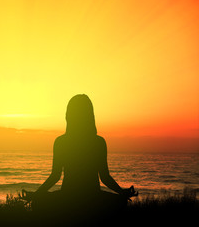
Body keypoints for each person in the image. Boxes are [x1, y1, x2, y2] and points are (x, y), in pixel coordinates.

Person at [21, 94, 138, 223]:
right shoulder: (98, 142)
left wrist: (37, 195)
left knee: (39, 203)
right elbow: (105, 177)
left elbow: (55, 176)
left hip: (69, 197)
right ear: (90, 116)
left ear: (68, 116)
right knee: (120, 203)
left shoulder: (61, 142)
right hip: (92, 198)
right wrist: (122, 193)